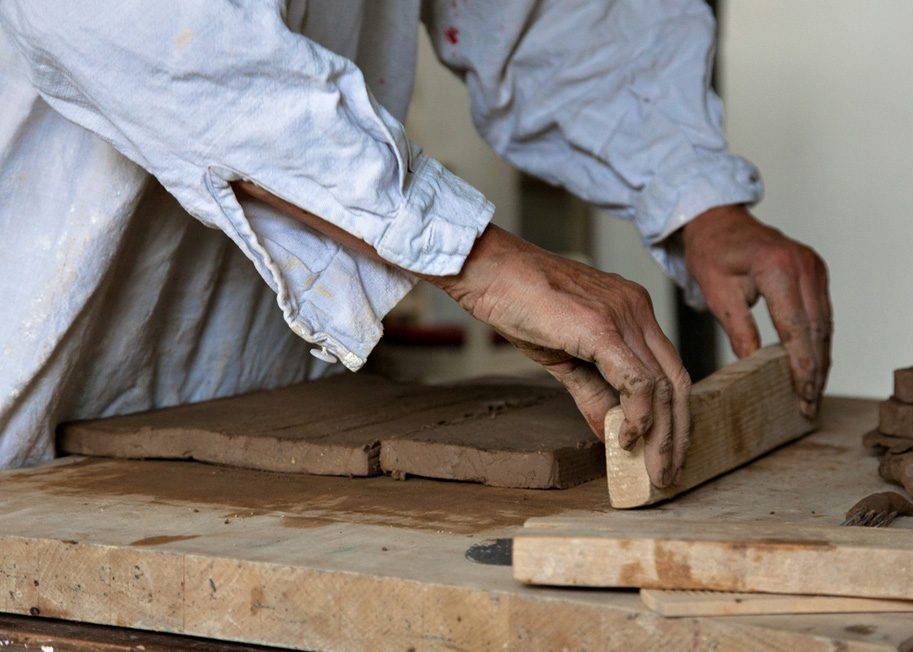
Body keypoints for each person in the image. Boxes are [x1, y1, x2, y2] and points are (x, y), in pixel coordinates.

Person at [0, 0, 830, 488]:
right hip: (28, 369)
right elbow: (152, 31)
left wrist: (695, 195)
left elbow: (543, 15)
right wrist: (471, 253)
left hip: (260, 396)